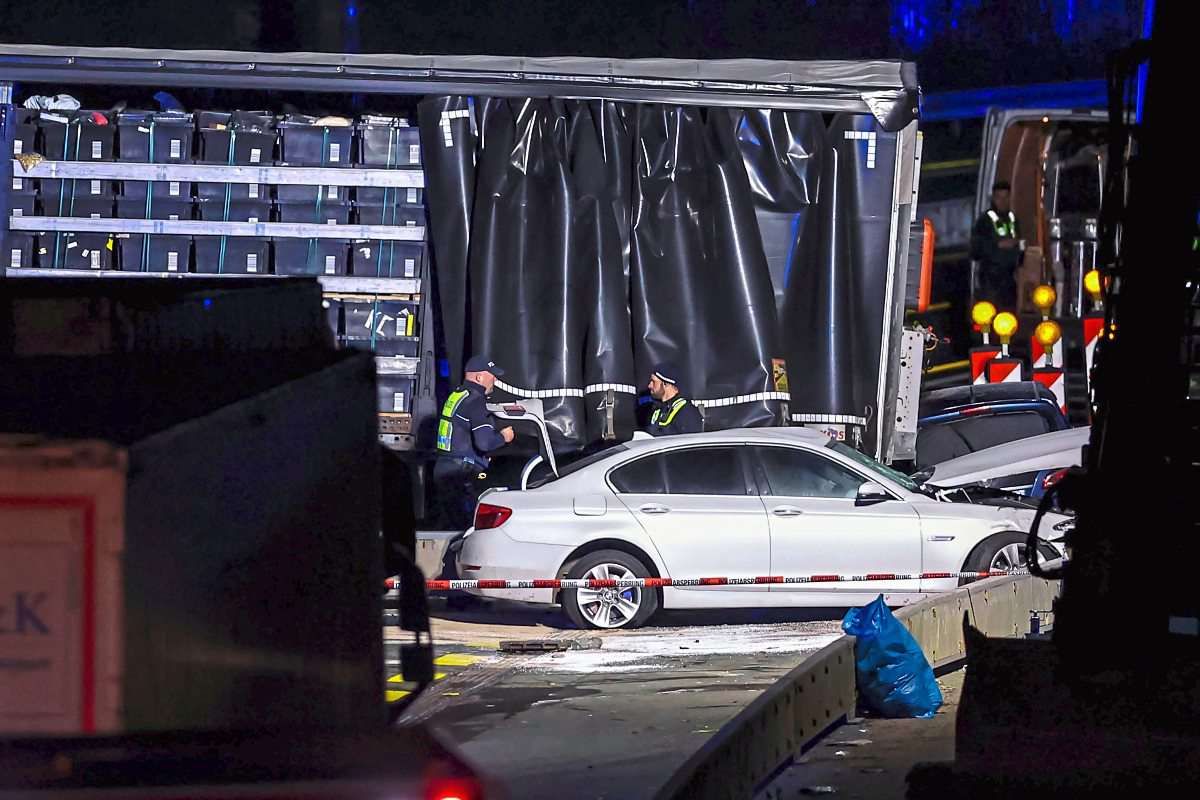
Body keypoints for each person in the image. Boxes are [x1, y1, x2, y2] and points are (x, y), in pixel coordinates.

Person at [433, 355, 514, 529]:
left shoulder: (457, 395)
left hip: (444, 469)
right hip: (462, 475)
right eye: (492, 374)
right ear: (479, 377)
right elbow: (484, 443)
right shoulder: (476, 401)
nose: (495, 379)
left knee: (450, 530)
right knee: (471, 531)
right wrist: (504, 437)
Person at [970, 180, 1024, 310]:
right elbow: (975, 250)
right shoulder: (985, 221)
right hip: (990, 278)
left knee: (1009, 317)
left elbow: (1020, 243)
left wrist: (1019, 254)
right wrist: (997, 245)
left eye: (1006, 197)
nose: (1003, 201)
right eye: (999, 197)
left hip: (1010, 279)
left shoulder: (1013, 219)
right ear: (993, 198)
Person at [646, 361, 703, 436]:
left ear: (665, 384)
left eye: (653, 382)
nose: (649, 386)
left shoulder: (686, 412)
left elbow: (691, 442)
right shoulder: (658, 409)